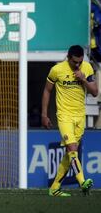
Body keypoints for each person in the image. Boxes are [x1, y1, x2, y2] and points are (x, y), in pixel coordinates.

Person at [42, 45, 98, 197]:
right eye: (75, 62)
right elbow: (47, 90)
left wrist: (84, 80)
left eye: (80, 62)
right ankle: (82, 182)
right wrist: (44, 114)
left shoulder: (87, 68)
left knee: (69, 154)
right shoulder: (57, 70)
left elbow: (95, 92)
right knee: (72, 149)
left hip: (80, 116)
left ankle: (54, 188)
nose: (78, 65)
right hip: (64, 115)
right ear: (68, 58)